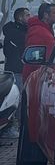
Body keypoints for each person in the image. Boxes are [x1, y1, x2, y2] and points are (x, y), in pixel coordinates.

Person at [1, 7, 29, 139]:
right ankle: (12, 126)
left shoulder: (17, 31)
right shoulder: (15, 33)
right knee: (15, 100)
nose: (30, 18)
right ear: (20, 18)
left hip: (19, 70)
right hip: (15, 70)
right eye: (27, 15)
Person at [22, 3, 55, 82]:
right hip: (35, 80)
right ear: (46, 15)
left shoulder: (45, 29)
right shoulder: (38, 32)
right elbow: (34, 59)